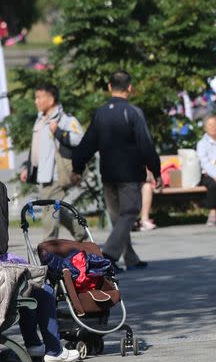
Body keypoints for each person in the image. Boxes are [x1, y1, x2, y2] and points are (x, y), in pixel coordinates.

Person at [72, 70, 161, 270]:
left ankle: (130, 257)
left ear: (110, 87)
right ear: (130, 88)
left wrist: (77, 167)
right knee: (129, 213)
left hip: (108, 174)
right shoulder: (133, 112)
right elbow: (146, 145)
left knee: (118, 218)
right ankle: (109, 255)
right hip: (130, 174)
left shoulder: (101, 113)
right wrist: (156, 171)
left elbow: (87, 143)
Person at [20, 84, 85, 241]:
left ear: (51, 99)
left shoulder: (65, 119)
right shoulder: (40, 119)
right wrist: (27, 168)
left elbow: (79, 139)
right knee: (56, 208)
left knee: (49, 210)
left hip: (58, 173)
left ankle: (49, 247)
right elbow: (36, 148)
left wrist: (59, 132)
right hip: (44, 174)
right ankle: (81, 233)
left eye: (39, 97)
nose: (36, 101)